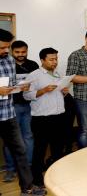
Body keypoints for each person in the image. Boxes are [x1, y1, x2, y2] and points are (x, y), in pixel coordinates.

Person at [0, 29, 45, 196]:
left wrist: (20, 87)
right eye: (2, 47)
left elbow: (10, 85)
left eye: (7, 47)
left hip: (8, 114)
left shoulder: (9, 61)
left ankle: (27, 188)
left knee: (20, 151)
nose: (6, 51)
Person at [23, 47, 69, 190]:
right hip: (42, 119)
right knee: (40, 151)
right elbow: (26, 95)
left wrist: (65, 92)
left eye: (56, 59)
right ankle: (37, 180)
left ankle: (56, 177)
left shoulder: (57, 74)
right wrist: (43, 90)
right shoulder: (33, 75)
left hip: (59, 117)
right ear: (42, 60)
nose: (54, 62)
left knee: (58, 150)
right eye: (51, 59)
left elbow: (59, 95)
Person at [2, 40, 38, 183]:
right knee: (9, 140)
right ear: (12, 51)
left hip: (29, 105)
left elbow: (37, 83)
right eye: (17, 52)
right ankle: (11, 168)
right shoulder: (7, 63)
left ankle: (27, 166)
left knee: (28, 137)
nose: (21, 55)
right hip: (10, 107)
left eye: (23, 52)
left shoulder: (33, 65)